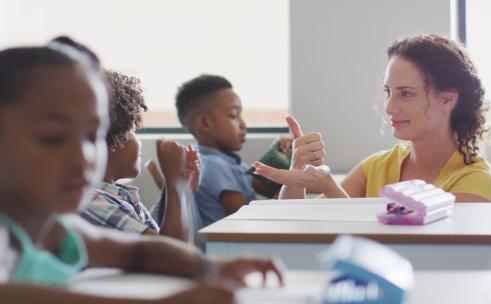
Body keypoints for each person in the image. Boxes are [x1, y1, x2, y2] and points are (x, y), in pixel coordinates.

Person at [0, 37, 282, 303]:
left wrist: (209, 267)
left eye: (93, 136)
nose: (82, 158)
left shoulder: (57, 226)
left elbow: (139, 252)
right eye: (52, 137)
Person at [254, 34, 491, 203]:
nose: (390, 107)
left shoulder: (477, 180)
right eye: (388, 93)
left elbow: (404, 256)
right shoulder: (376, 167)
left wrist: (331, 188)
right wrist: (297, 170)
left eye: (405, 94)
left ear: (448, 100)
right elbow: (298, 227)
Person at [175, 75, 315, 226]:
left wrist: (285, 156)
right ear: (205, 124)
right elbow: (248, 218)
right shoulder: (214, 166)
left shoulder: (228, 161)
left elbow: (265, 187)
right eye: (233, 115)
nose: (243, 124)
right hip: (233, 246)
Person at [81, 70, 199, 241]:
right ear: (109, 139)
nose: (139, 141)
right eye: (133, 130)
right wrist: (174, 186)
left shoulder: (119, 196)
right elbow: (167, 255)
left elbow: (159, 238)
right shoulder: (93, 202)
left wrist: (181, 192)